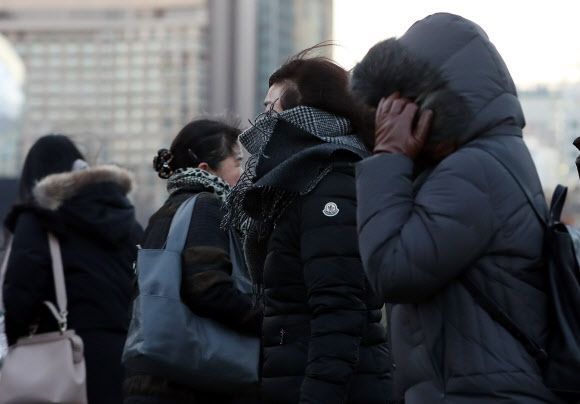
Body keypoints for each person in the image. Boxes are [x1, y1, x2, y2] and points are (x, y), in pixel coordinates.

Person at [351, 13, 563, 403]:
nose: (391, 119)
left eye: (402, 104)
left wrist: (388, 157)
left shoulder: (473, 170)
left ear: (433, 102)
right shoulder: (490, 157)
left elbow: (392, 271)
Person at [224, 50, 392, 404]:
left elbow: (340, 309)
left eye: (271, 111)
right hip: (298, 375)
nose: (260, 123)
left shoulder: (331, 180)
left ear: (304, 115)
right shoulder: (295, 185)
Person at [123, 118, 262, 404]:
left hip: (154, 376)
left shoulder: (166, 212)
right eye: (236, 162)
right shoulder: (206, 206)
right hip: (194, 382)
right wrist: (270, 319)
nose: (243, 172)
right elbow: (209, 289)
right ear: (205, 169)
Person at [3, 134, 143, 404]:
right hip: (127, 358)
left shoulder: (37, 221)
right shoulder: (127, 221)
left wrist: (17, 337)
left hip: (61, 357)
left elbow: (20, 291)